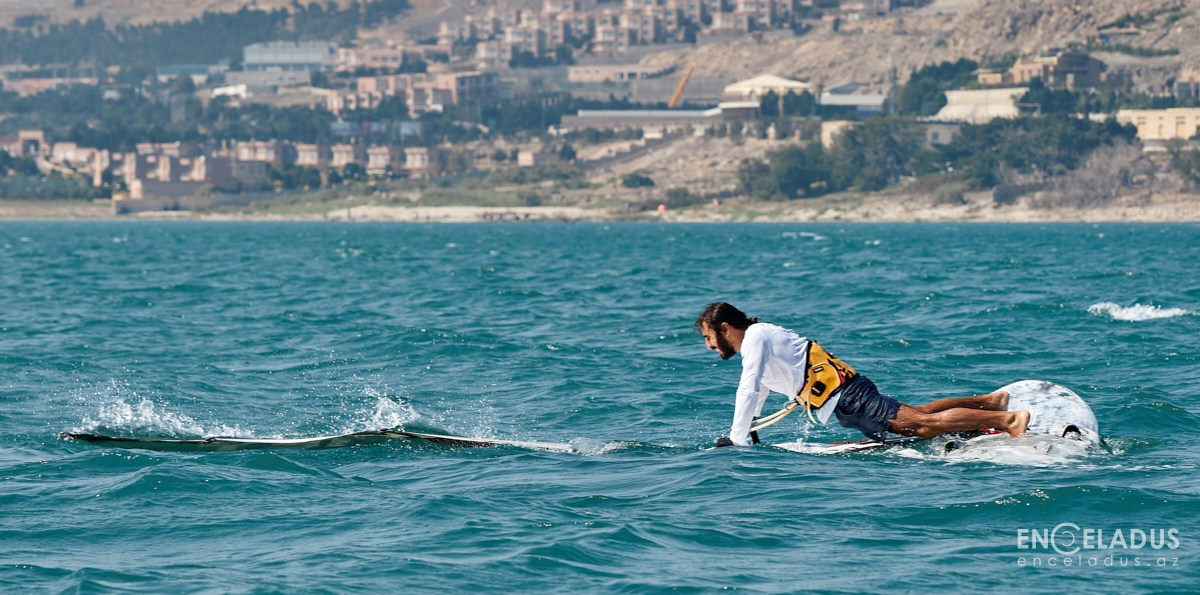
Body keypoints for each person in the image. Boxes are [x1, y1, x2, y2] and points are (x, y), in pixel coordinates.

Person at [694, 302, 1030, 447]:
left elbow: (748, 388)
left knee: (921, 425)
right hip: (847, 394)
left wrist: (737, 437)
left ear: (725, 328)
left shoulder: (755, 337)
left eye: (709, 337)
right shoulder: (759, 339)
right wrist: (750, 427)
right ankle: (990, 402)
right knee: (920, 414)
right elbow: (762, 389)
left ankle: (1008, 420)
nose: (709, 346)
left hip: (847, 395)